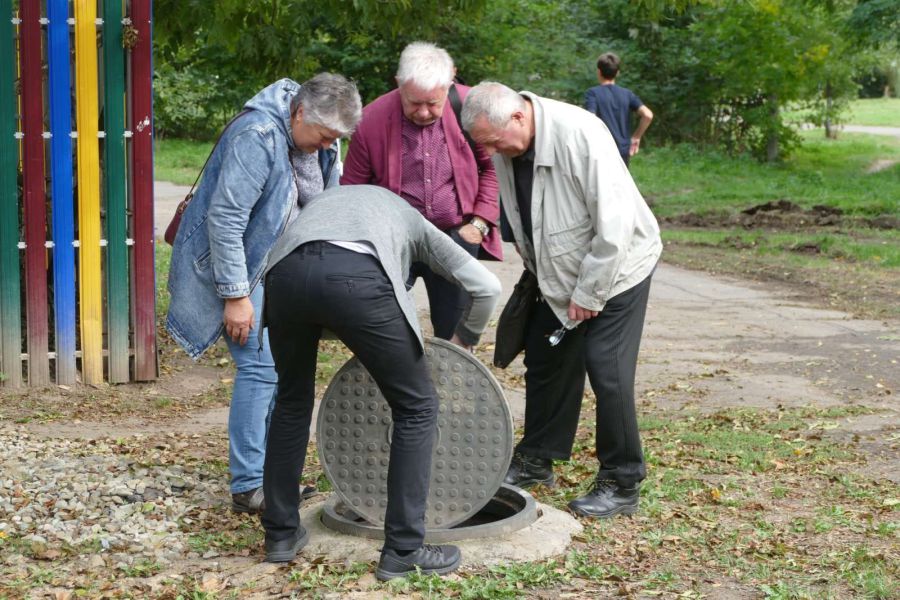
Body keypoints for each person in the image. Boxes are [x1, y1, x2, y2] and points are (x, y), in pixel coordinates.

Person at [259, 184, 502, 579]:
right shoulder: (414, 221)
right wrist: (464, 339)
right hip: (356, 278)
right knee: (417, 406)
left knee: (291, 400)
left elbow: (318, 286)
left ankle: (281, 535)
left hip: (284, 275)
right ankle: (404, 551)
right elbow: (488, 287)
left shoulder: (327, 201)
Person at [461, 82, 662, 518]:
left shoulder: (581, 135)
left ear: (517, 116)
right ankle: (537, 458)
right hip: (559, 273)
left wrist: (590, 292)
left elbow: (615, 225)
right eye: (486, 146)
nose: (494, 151)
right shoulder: (508, 142)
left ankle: (622, 480)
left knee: (605, 366)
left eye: (495, 142)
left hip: (620, 268)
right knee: (546, 358)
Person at [166, 74, 362, 514]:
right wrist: (236, 296)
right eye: (324, 136)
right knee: (261, 370)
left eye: (337, 139)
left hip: (280, 272)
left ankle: (275, 477)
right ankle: (249, 483)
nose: (328, 146)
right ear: (298, 113)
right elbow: (227, 219)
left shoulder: (322, 141)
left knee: (283, 372)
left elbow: (324, 210)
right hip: (241, 270)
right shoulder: (256, 135)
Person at [341, 41, 502, 340]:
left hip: (455, 236)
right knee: (383, 324)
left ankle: (450, 383)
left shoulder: (472, 107)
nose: (425, 112)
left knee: (453, 327)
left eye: (433, 103)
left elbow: (494, 168)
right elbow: (352, 190)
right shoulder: (371, 120)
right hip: (394, 238)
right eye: (415, 103)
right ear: (399, 84)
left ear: (448, 85)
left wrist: (478, 224)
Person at [583, 52, 654, 167]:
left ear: (599, 72)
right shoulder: (627, 94)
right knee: (620, 184)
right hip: (623, 151)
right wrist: (636, 137)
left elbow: (591, 118)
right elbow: (648, 115)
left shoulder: (592, 94)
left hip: (601, 150)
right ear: (617, 73)